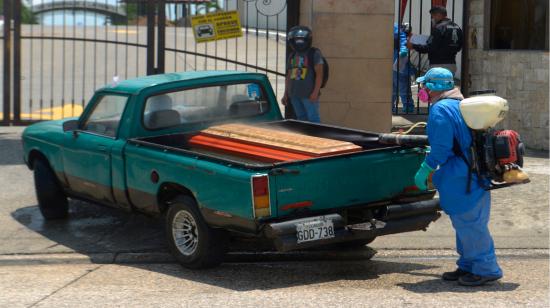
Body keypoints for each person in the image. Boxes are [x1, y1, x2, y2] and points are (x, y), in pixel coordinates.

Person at [414, 67, 503, 287]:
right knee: (468, 222)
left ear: (433, 87)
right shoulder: (459, 105)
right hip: (475, 173)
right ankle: (468, 265)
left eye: (424, 86)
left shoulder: (440, 110)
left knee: (469, 224)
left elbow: (442, 147)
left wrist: (426, 168)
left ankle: (486, 269)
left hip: (460, 176)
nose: (421, 90)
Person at [282, 26, 324, 123]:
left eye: (301, 40)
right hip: (294, 94)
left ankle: (315, 138)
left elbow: (319, 75)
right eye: (296, 40)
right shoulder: (292, 55)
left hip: (309, 95)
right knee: (301, 119)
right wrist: (286, 94)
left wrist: (315, 92)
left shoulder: (314, 53)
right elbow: (288, 75)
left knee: (313, 119)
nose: (299, 42)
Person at [408, 6, 463, 75]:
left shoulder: (439, 28)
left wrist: (413, 45)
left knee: (435, 85)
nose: (432, 19)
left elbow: (430, 48)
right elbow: (460, 46)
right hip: (451, 65)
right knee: (447, 85)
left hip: (438, 66)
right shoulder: (457, 27)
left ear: (438, 15)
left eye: (433, 17)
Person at [393, 23, 415, 113]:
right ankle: (408, 106)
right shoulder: (401, 33)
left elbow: (403, 43)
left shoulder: (395, 30)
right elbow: (403, 43)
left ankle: (391, 107)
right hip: (399, 64)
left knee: (394, 87)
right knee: (403, 86)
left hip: (396, 63)